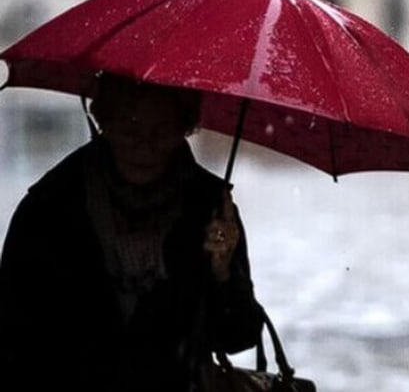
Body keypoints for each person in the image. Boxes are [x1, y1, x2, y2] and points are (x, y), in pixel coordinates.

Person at [0, 74, 263, 391]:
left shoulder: (209, 207)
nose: (146, 146)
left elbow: (238, 336)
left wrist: (222, 274)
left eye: (162, 131)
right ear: (105, 122)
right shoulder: (52, 205)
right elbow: (14, 338)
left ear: (184, 128)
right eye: (131, 128)